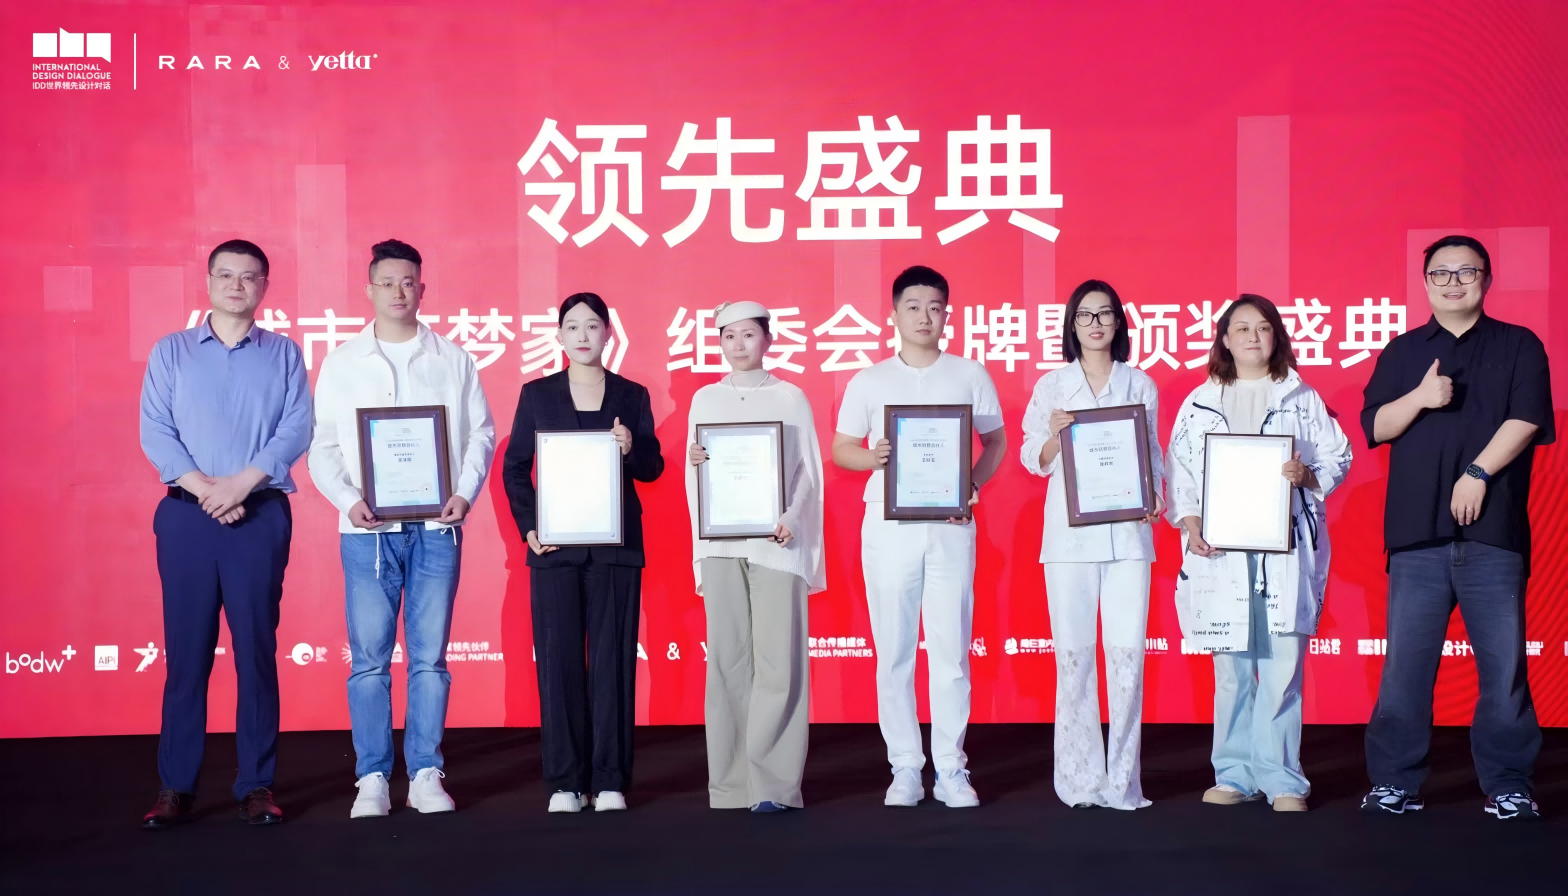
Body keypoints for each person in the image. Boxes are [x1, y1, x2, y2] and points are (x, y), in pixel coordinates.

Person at [1360, 235, 1553, 821]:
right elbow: (1376, 425)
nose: (1452, 282)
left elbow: (1528, 418)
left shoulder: (1519, 344)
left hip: (1492, 535)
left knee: (1503, 669)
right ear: (1425, 284)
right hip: (1417, 537)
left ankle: (1509, 784)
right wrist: (1420, 396)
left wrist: (1477, 472)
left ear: (1486, 280)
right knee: (1405, 669)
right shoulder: (1403, 351)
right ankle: (1394, 783)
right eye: (1440, 273)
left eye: (1465, 272)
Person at [306, 239, 495, 819]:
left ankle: (425, 772)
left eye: (408, 281)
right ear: (369, 289)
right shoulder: (343, 362)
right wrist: (348, 500)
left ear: (422, 288)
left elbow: (480, 434)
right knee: (368, 659)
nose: (398, 291)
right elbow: (322, 446)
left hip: (437, 528)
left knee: (429, 658)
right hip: (367, 533)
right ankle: (371, 778)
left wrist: (463, 492)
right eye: (387, 282)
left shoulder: (453, 359)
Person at [137, 239, 312, 828]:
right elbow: (155, 429)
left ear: (265, 287)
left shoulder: (283, 354)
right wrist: (207, 490)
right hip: (187, 517)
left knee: (256, 651)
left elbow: (296, 427)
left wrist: (240, 485)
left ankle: (256, 784)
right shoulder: (172, 351)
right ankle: (175, 786)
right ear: (209, 282)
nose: (237, 285)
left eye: (249, 276)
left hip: (258, 516)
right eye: (226, 275)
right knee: (186, 655)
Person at [1166, 295, 1352, 813]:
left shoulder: (1301, 397)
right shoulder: (1199, 401)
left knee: (1282, 666)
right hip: (1221, 551)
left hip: (1283, 547)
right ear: (1224, 339)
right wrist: (1190, 521)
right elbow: (1179, 472)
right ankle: (1233, 773)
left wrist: (1308, 475)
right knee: (1231, 669)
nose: (1252, 336)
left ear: (1277, 337)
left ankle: (1283, 779)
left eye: (1263, 327)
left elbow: (1339, 455)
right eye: (1241, 327)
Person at [831, 265, 1007, 808]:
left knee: (951, 650)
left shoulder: (969, 374)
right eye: (913, 306)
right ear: (894, 315)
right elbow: (841, 449)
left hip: (951, 527)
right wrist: (873, 457)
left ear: (947, 315)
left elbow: (996, 442)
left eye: (934, 307)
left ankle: (951, 767)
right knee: (894, 649)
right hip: (889, 527)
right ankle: (905, 766)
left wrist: (969, 486)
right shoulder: (869, 380)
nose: (924, 316)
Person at [502, 293, 664, 813]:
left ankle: (610, 778)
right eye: (572, 326)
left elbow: (652, 467)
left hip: (615, 550)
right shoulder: (537, 394)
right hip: (554, 548)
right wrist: (530, 527)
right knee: (559, 664)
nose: (582, 336)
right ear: (559, 336)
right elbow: (515, 467)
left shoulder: (631, 395)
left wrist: (630, 448)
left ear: (608, 333)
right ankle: (565, 782)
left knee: (613, 663)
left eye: (592, 326)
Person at [1018, 279, 1164, 810]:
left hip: (1128, 539)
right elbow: (1030, 456)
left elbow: (1152, 452)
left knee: (1127, 662)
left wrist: (1155, 495)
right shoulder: (1053, 386)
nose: (1096, 323)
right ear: (1072, 325)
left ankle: (1122, 783)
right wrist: (1054, 437)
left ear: (1118, 322)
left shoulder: (1139, 383)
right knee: (1074, 660)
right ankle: (1079, 780)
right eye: (1085, 315)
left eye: (1105, 314)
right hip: (1069, 540)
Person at [686, 301, 825, 813]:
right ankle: (729, 786)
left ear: (768, 339)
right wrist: (697, 463)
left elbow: (808, 471)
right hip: (721, 544)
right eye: (729, 336)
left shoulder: (790, 396)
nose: (738, 344)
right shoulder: (705, 399)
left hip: (776, 543)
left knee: (779, 663)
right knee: (726, 661)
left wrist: (791, 517)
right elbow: (693, 477)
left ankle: (775, 788)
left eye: (748, 334)